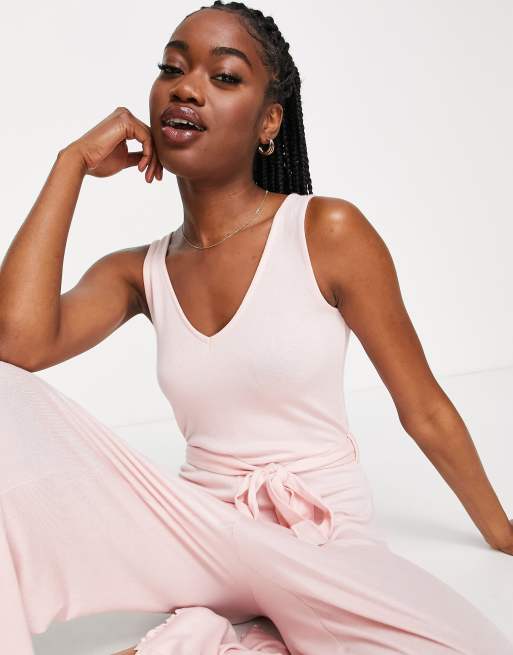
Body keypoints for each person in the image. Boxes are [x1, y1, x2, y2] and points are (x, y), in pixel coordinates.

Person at [1, 2, 512, 654]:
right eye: (172, 68)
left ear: (269, 121)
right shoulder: (138, 272)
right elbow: (15, 346)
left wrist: (501, 532)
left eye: (224, 76)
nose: (187, 88)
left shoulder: (326, 232)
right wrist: (69, 163)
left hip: (319, 537)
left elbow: (424, 409)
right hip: (198, 535)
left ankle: (222, 634)